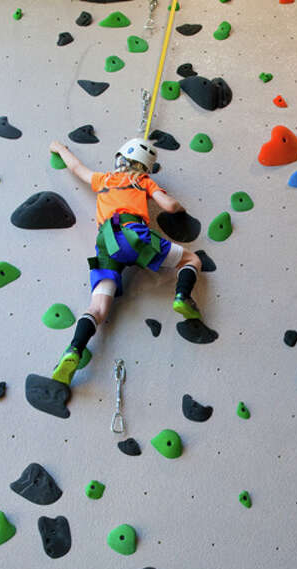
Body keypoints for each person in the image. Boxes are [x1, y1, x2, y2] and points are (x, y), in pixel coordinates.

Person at [47, 137, 205, 385]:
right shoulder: (142, 181)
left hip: (106, 243)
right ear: (145, 166)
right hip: (135, 236)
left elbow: (76, 168)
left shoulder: (103, 180)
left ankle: (74, 349)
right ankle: (182, 296)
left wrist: (60, 148)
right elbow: (170, 206)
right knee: (191, 259)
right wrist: (177, 205)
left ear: (119, 158)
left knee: (97, 308)